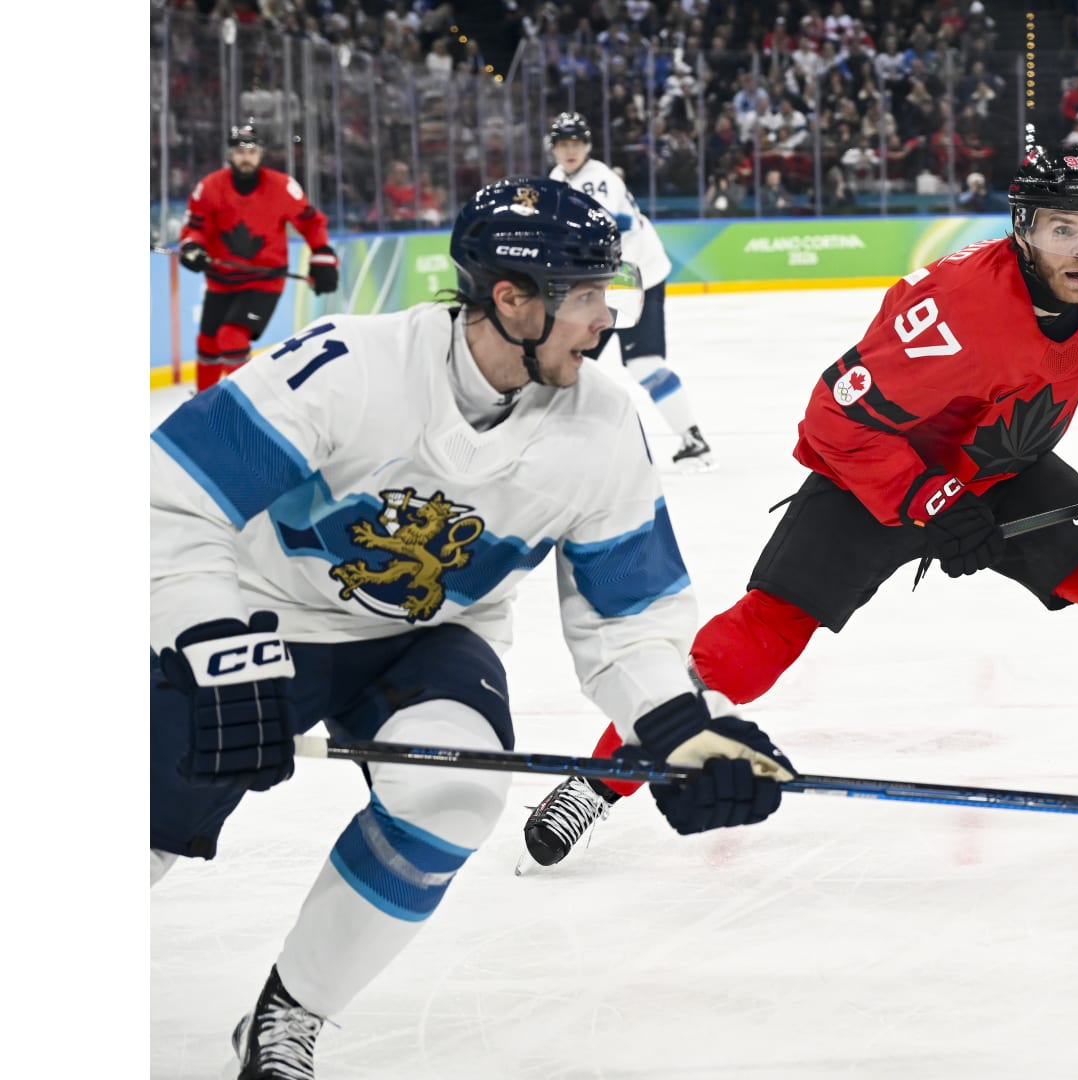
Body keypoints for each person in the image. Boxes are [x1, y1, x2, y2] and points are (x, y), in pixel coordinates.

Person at [520, 139, 1078, 864]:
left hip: (1002, 467)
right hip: (875, 474)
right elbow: (833, 417)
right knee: (753, 649)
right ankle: (599, 781)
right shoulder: (956, 309)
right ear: (1022, 231)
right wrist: (929, 497)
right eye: (1061, 230)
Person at [150, 178, 791, 1076]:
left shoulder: (603, 423)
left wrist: (679, 727)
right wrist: (218, 645)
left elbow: (629, 618)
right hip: (263, 613)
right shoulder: (351, 367)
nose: (605, 320)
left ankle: (288, 1014)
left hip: (428, 639)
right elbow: (172, 497)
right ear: (512, 299)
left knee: (453, 795)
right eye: (585, 297)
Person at [547, 111, 715, 468]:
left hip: (635, 279)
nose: (569, 150)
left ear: (587, 146)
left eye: (576, 143)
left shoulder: (598, 179)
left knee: (644, 364)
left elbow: (609, 226)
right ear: (553, 149)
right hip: (602, 282)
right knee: (570, 358)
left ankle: (692, 438)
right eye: (562, 144)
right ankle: (566, 442)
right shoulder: (557, 178)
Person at [177, 122, 340, 393]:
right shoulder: (209, 187)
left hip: (264, 282)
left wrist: (322, 256)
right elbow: (196, 227)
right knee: (208, 342)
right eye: (240, 151)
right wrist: (192, 246)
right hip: (221, 281)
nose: (246, 157)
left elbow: (311, 222)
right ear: (230, 154)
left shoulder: (282, 187)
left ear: (260, 154)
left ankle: (246, 403)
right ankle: (204, 403)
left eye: (252, 151)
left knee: (231, 337)